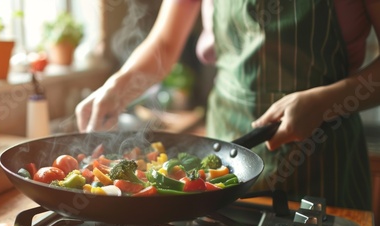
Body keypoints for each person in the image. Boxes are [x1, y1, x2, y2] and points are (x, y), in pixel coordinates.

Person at [75, 0, 380, 211]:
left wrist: (326, 102)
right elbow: (165, 45)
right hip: (226, 154)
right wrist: (116, 88)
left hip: (327, 158)